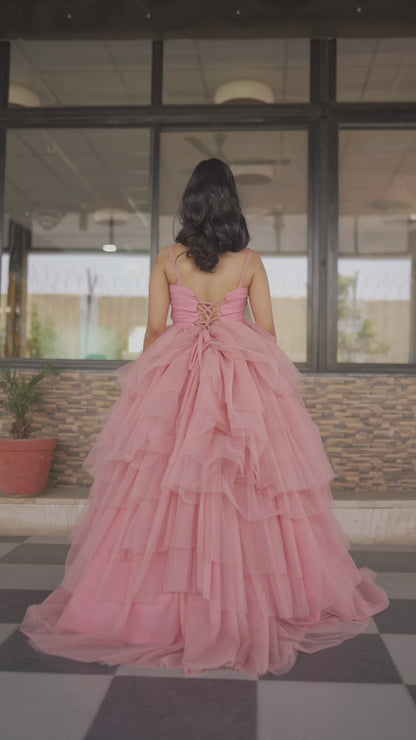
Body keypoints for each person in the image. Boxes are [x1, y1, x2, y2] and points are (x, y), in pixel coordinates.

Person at [20, 158, 389, 677]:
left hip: (177, 376)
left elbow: (153, 329)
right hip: (240, 381)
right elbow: (268, 333)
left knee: (164, 487)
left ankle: (156, 607)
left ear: (191, 204)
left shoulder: (169, 258)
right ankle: (249, 599)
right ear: (231, 204)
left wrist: (154, 379)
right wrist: (238, 353)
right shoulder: (250, 261)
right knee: (247, 489)